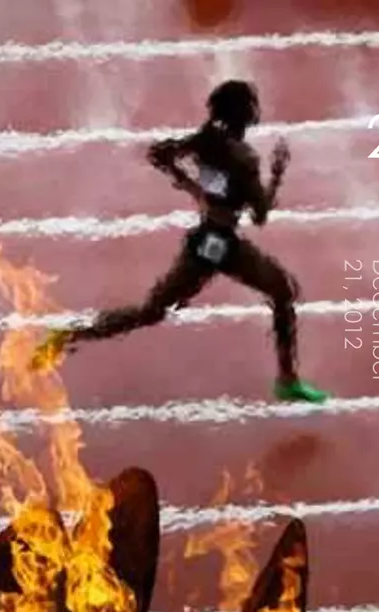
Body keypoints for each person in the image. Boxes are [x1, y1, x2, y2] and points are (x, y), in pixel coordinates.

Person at [34, 81, 326, 403]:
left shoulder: (205, 141)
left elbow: (159, 153)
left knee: (153, 311)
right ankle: (287, 380)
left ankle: (68, 335)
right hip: (220, 244)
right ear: (245, 113)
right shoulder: (244, 159)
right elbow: (260, 215)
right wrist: (277, 175)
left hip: (207, 238)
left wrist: (192, 188)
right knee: (282, 292)